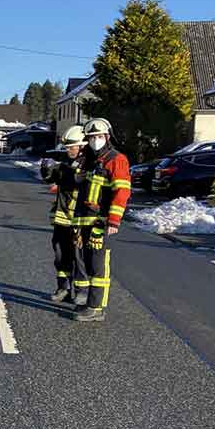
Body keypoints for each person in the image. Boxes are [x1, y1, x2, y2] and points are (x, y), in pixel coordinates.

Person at [71, 117, 131, 323]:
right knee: (86, 263)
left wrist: (113, 221)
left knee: (98, 266)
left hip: (100, 221)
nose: (95, 140)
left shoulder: (116, 159)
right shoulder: (90, 159)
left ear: (107, 137)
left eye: (99, 136)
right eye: (91, 137)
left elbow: (122, 192)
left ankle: (96, 307)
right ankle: (89, 302)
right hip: (84, 220)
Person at [40, 125, 88, 304]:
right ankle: (64, 288)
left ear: (82, 146)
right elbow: (53, 178)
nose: (68, 151)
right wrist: (47, 170)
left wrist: (62, 169)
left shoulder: (88, 163)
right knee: (61, 254)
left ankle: (82, 290)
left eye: (71, 147)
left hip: (80, 219)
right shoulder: (68, 162)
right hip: (62, 217)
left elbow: (77, 178)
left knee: (79, 256)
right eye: (67, 148)